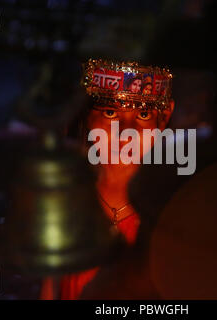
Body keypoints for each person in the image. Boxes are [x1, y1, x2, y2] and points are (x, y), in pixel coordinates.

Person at [40, 59, 174, 299]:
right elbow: (52, 284)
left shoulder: (172, 208)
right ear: (85, 117)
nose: (126, 133)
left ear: (163, 118)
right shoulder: (70, 194)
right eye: (111, 112)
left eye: (143, 114)